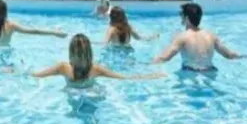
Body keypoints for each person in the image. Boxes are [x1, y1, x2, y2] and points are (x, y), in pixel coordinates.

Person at [27, 33, 165, 86]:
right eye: (77, 54)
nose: (79, 57)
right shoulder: (63, 67)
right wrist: (20, 72)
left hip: (92, 95)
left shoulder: (95, 69)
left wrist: (151, 76)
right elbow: (37, 75)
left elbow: (124, 77)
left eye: (80, 54)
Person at [152, 3, 247, 71]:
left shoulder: (182, 37)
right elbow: (229, 55)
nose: (180, 17)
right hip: (211, 71)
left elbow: (164, 58)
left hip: (190, 73)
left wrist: (148, 64)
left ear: (186, 18)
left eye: (181, 14)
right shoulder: (211, 35)